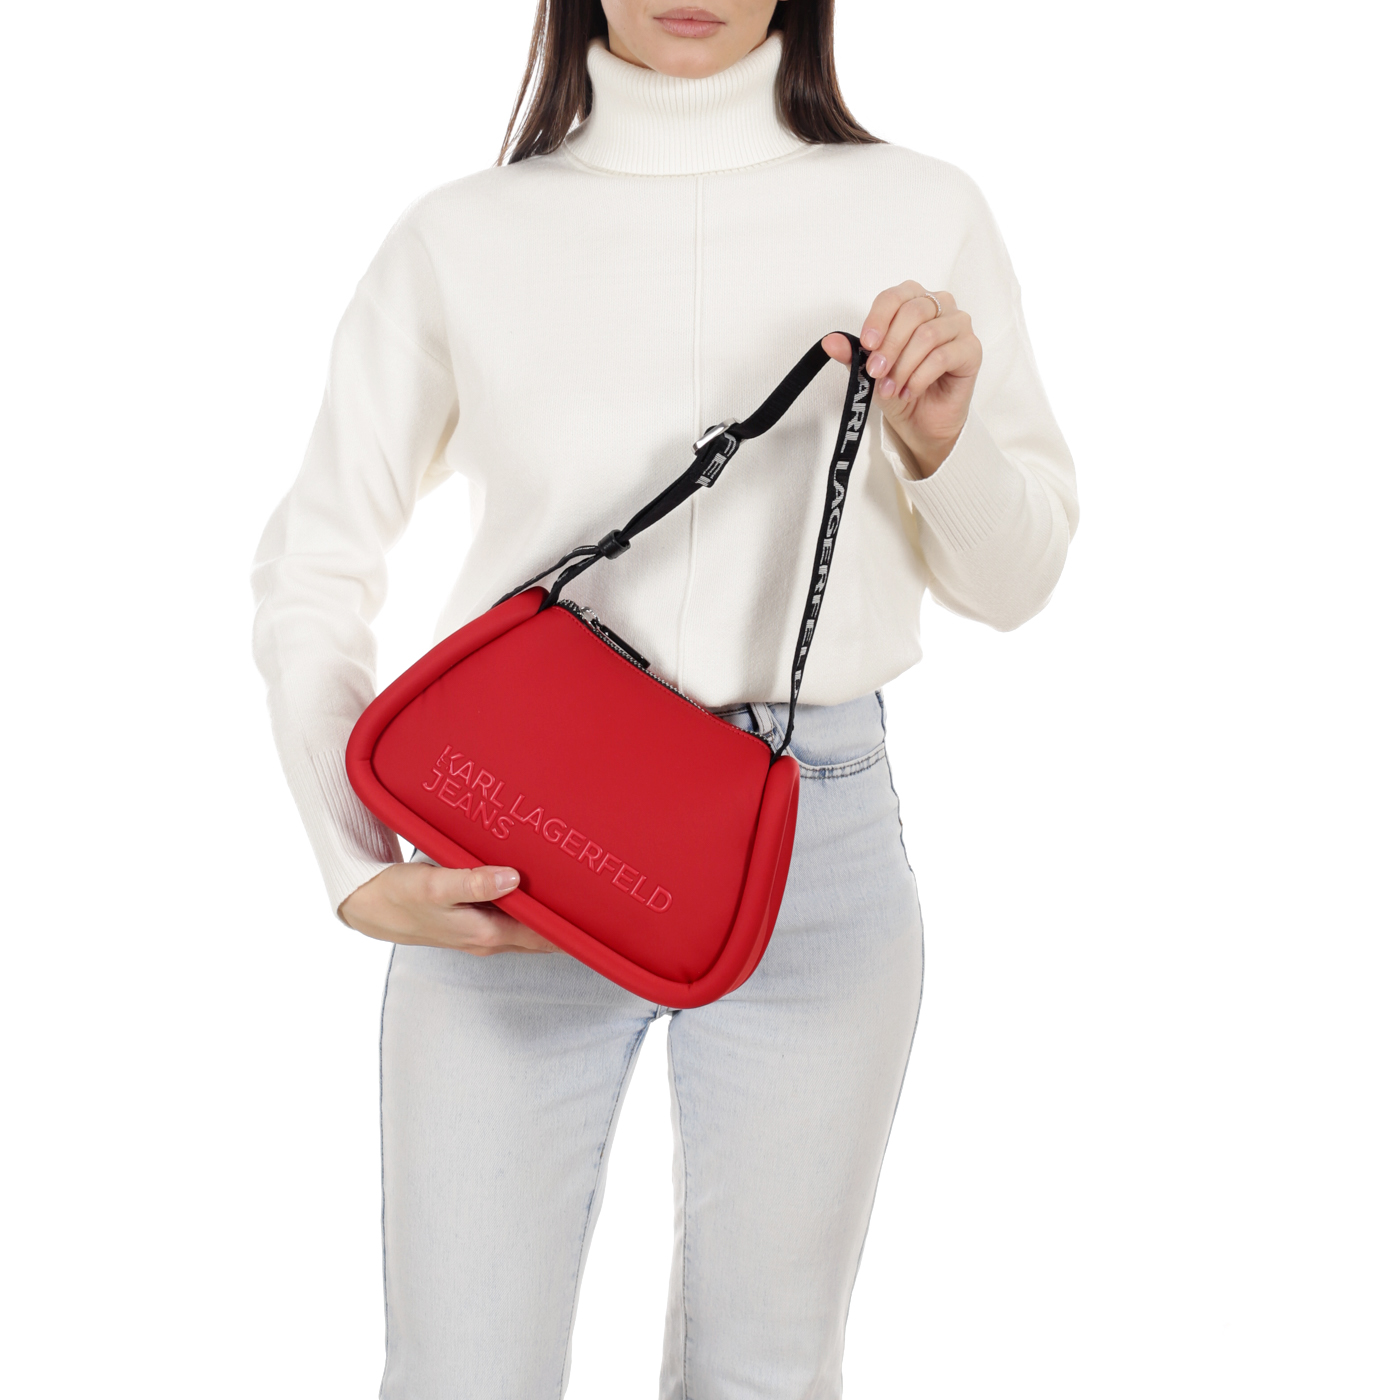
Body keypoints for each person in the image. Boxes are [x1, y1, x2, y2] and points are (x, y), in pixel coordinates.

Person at [252, 1, 1077, 1394]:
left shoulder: (922, 213)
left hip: (811, 850)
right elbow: (312, 567)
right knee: (463, 1373)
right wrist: (353, 860)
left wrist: (943, 443)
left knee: (768, 1373)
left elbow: (1018, 581)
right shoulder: (464, 236)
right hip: (515, 857)